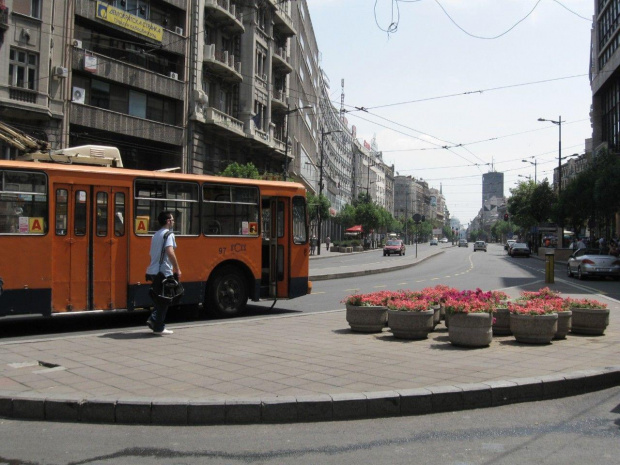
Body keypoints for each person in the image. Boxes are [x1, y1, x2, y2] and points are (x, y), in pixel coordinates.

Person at [145, 211, 181, 335]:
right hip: (164, 271)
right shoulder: (169, 234)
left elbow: (151, 254)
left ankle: (155, 321)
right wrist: (177, 268)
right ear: (168, 221)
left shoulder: (156, 235)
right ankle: (158, 326)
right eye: (172, 219)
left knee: (160, 299)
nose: (173, 221)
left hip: (153, 270)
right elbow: (170, 251)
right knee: (165, 299)